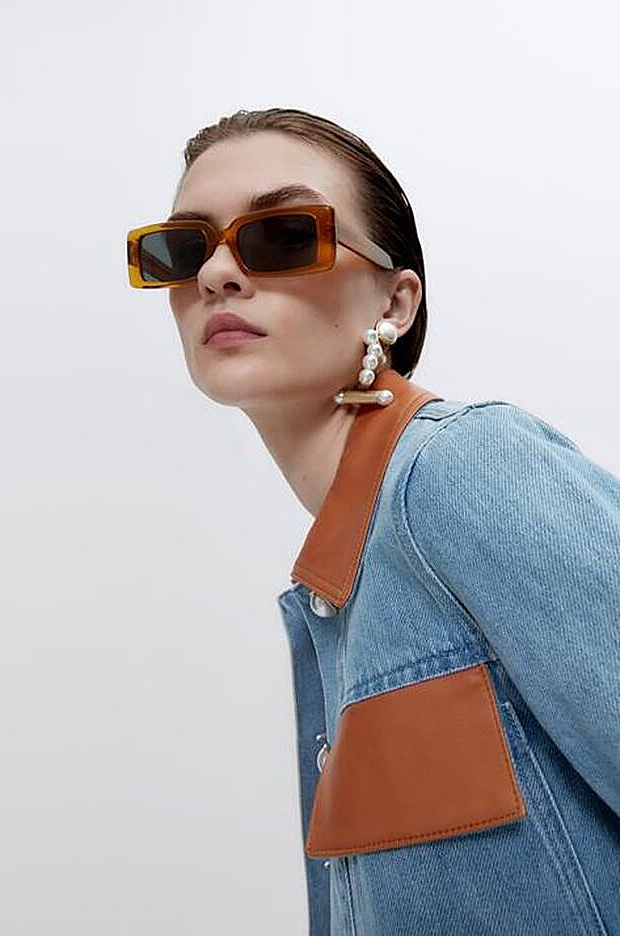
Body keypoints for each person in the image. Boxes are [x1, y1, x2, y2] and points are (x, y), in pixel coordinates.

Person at [126, 107, 620, 936]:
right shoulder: (341, 580)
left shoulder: (460, 469)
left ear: (395, 302)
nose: (215, 273)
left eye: (282, 236)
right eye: (182, 248)